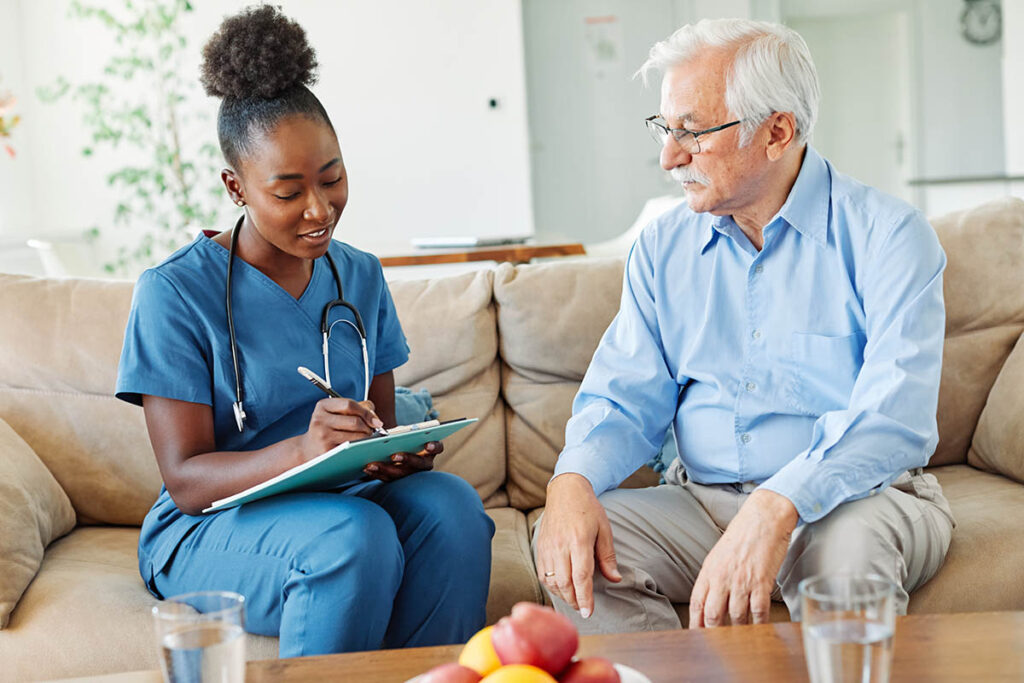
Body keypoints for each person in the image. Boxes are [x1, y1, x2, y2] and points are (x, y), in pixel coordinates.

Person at [533, 18, 955, 633]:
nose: (668, 157)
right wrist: (570, 482)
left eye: (693, 133)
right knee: (573, 543)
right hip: (701, 502)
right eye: (665, 129)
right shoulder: (660, 248)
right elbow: (623, 397)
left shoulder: (889, 237)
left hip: (858, 500)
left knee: (845, 557)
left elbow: (892, 420)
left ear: (777, 133)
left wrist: (776, 504)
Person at [115, 6, 493, 657]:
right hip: (211, 524)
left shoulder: (361, 277)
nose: (320, 209)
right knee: (353, 537)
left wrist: (394, 451)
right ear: (236, 187)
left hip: (345, 497)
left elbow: (378, 420)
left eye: (333, 177)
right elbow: (186, 479)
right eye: (288, 192)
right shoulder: (175, 292)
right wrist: (304, 450)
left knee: (454, 510)